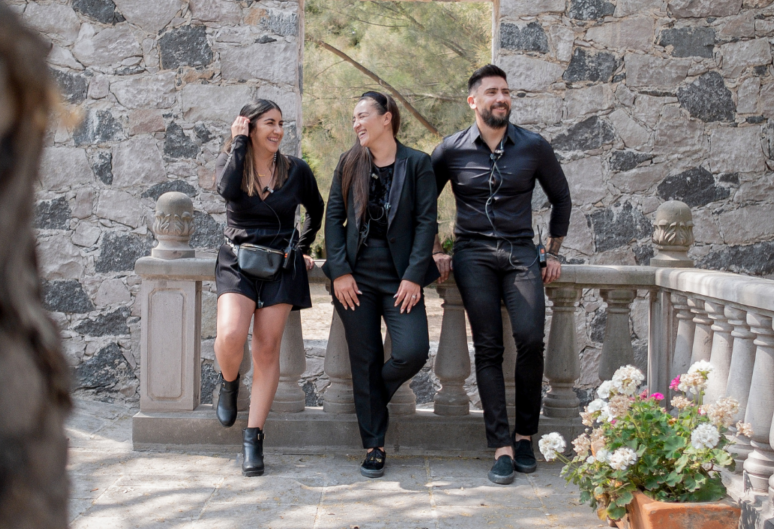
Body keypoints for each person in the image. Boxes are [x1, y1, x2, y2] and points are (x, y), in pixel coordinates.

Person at [430, 65, 572, 485]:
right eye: (492, 92)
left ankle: (526, 435)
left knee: (530, 337)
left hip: (521, 253)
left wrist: (552, 251)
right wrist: (437, 250)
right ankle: (502, 447)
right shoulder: (450, 149)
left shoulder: (534, 146)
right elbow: (423, 205)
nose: (501, 98)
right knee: (488, 347)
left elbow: (561, 199)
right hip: (471, 254)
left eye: (506, 92)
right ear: (473, 101)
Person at [323, 92, 440, 478]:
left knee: (413, 350)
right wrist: (339, 271)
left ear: (386, 118)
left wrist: (412, 275)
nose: (356, 124)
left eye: (362, 116)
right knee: (365, 357)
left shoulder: (418, 163)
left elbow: (426, 223)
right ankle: (374, 445)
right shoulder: (348, 162)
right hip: (355, 280)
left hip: (399, 278)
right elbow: (334, 221)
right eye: (353, 118)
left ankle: (371, 396)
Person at [213, 99, 324, 477]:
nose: (277, 130)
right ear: (249, 125)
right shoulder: (233, 162)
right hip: (237, 260)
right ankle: (228, 383)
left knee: (266, 348)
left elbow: (316, 208)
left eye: (281, 123)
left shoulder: (296, 170)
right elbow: (226, 191)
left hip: (281, 264)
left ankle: (253, 437)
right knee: (230, 336)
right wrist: (239, 143)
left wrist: (303, 247)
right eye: (268, 123)